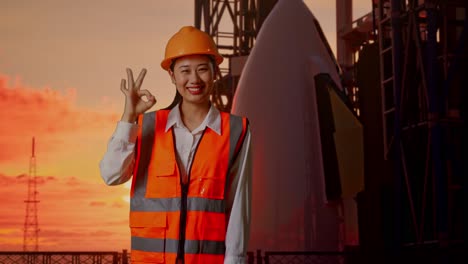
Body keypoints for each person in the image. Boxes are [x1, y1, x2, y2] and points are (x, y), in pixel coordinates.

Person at [99, 26, 252, 264]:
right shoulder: (146, 126)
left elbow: (238, 207)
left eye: (202, 70)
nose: (194, 79)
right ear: (172, 76)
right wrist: (129, 116)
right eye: (185, 71)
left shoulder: (236, 131)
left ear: (215, 73)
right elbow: (111, 175)